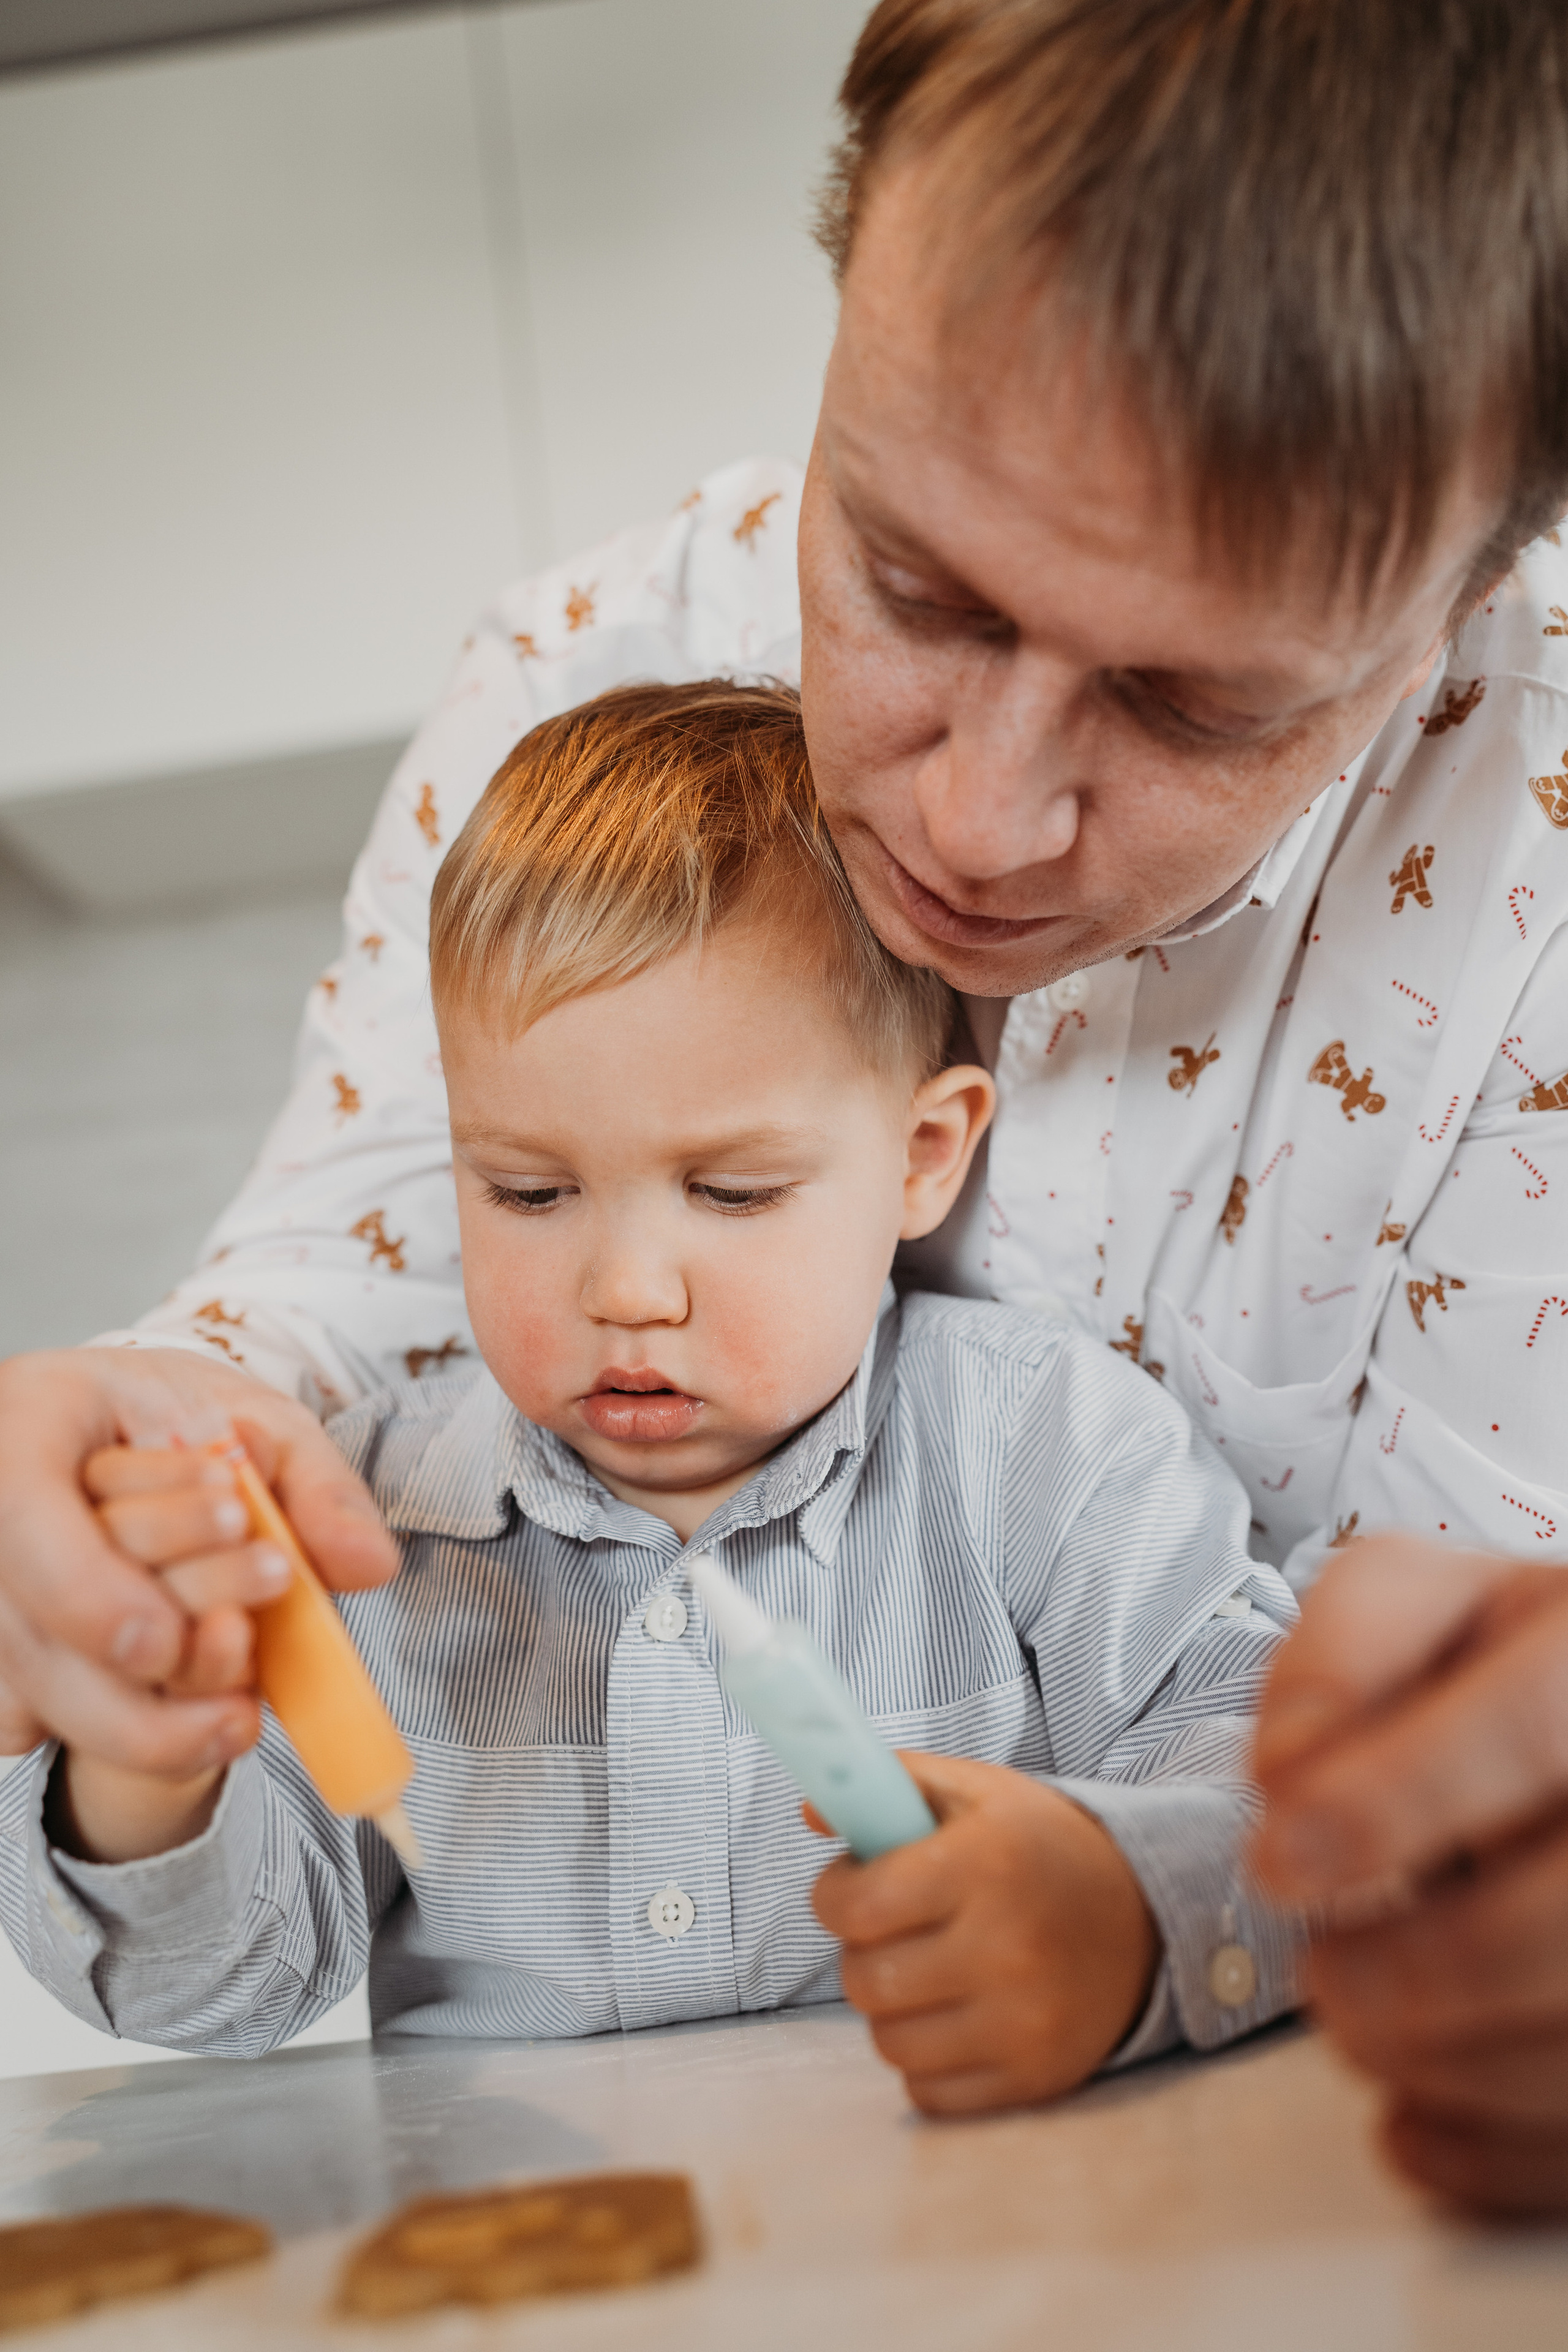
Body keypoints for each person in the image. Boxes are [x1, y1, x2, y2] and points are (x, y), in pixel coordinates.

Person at [0, 0, 1564, 2210]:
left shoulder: (1534, 878)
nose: (987, 823)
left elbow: (1390, 1752)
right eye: (915, 582)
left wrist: (1164, 1909)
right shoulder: (583, 665)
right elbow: (297, 1314)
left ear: (1462, 605)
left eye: (1200, 706)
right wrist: (141, 1487)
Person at [1, 682, 1298, 2109]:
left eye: (730, 1193)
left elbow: (1280, 1790)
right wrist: (148, 1771)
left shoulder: (1052, 1456)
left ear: (924, 1156)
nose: (625, 1289)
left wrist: (1118, 1905)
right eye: (527, 1190)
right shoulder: (356, 1526)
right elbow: (214, 1995)